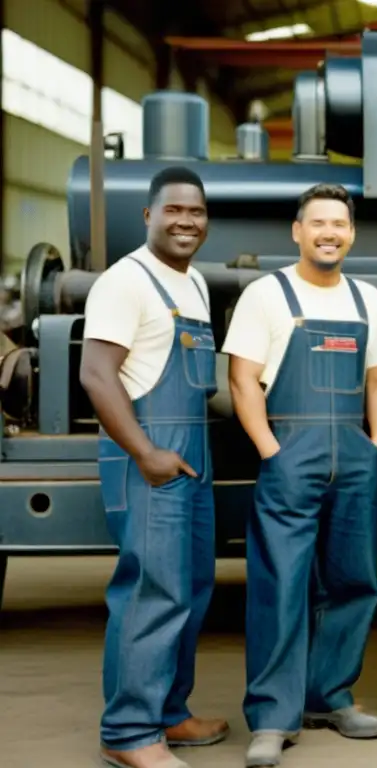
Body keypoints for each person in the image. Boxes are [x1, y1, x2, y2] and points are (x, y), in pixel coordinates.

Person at [223, 183, 377, 767]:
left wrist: (373, 445)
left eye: (339, 224)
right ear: (297, 231)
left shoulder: (368, 299)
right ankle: (273, 716)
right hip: (289, 449)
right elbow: (242, 379)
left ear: (351, 233)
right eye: (317, 222)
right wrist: (271, 449)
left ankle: (331, 695)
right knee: (281, 583)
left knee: (352, 580)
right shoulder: (267, 295)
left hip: (354, 454)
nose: (329, 232)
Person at [80, 167, 228, 768]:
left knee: (191, 586)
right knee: (151, 589)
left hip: (189, 457)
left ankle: (169, 711)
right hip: (148, 457)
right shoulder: (125, 282)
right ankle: (129, 731)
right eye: (174, 211)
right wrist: (146, 453)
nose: (186, 221)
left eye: (196, 212)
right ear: (148, 216)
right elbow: (95, 373)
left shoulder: (191, 286)